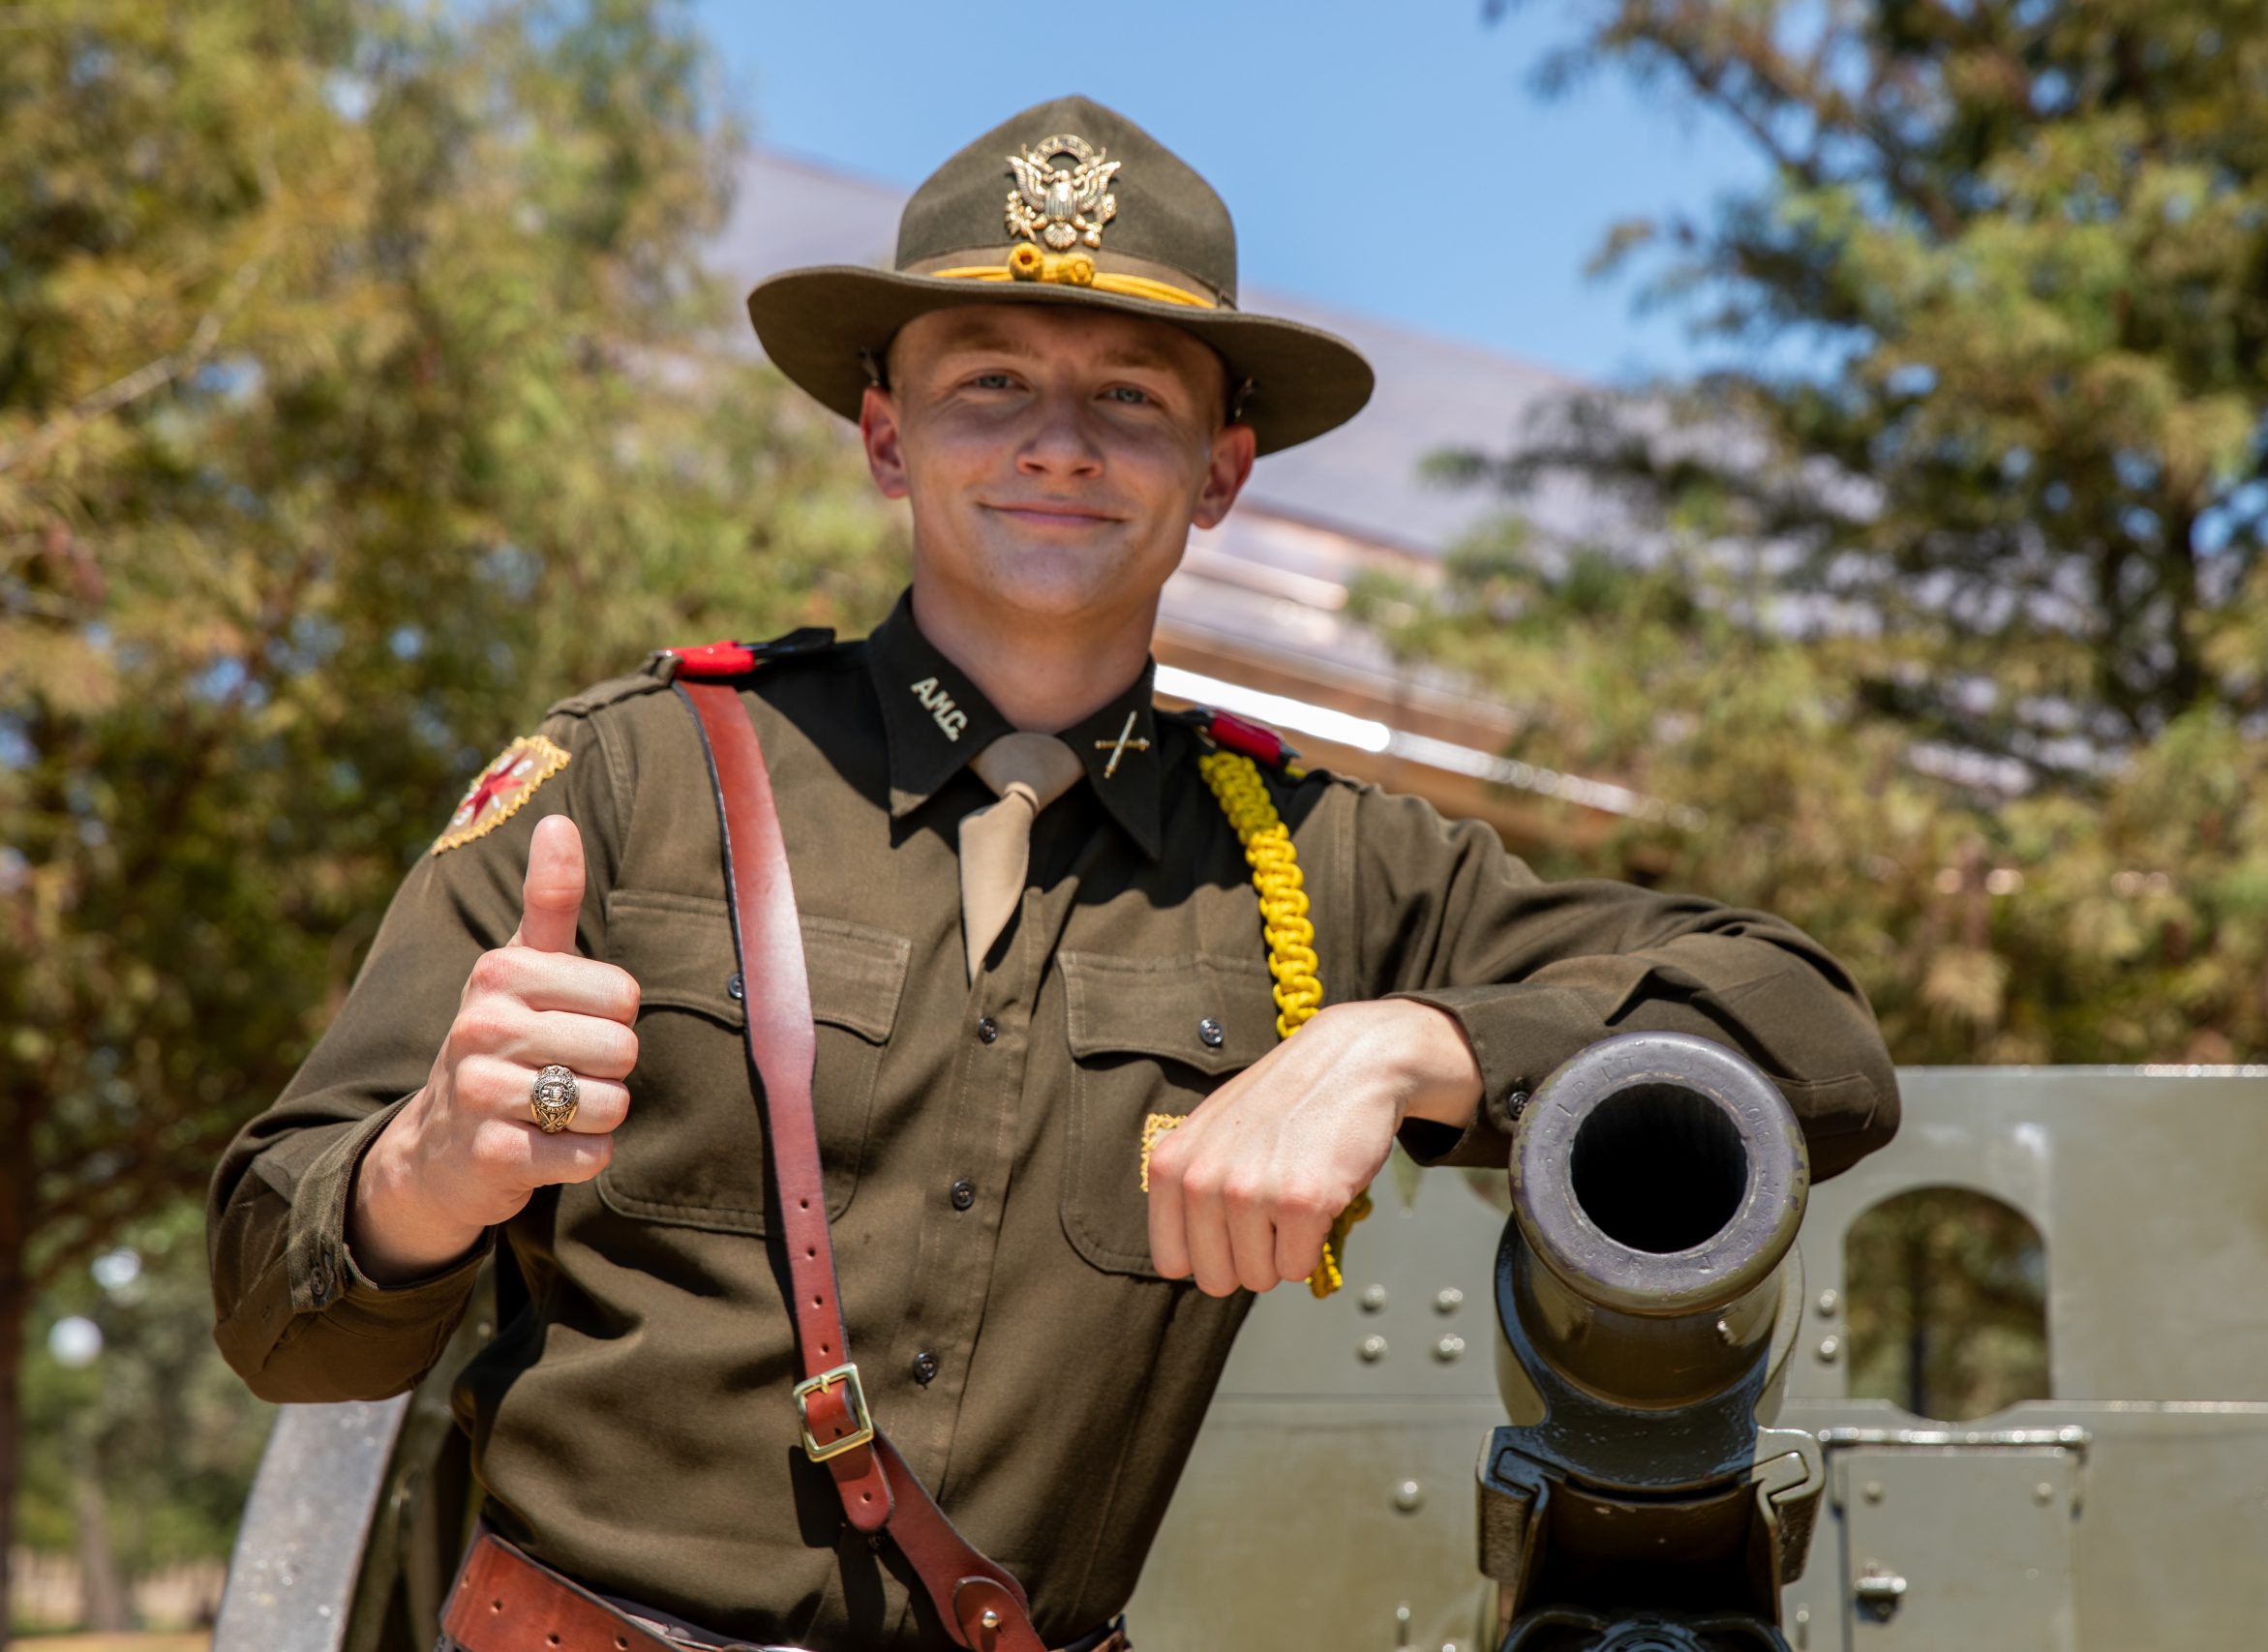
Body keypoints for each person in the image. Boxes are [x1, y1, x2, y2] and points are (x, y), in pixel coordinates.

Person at [209, 96, 1899, 1652]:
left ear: (1221, 472)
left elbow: (1812, 1040)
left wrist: (1404, 1048)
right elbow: (280, 1327)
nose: (1060, 443)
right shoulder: (630, 784)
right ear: (887, 441)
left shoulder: (1329, 864)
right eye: (990, 383)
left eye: (1134, 398)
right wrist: (425, 1174)